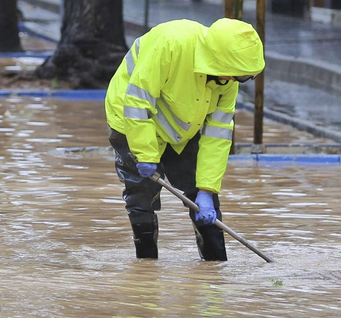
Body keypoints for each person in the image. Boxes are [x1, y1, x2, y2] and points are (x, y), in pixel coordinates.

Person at [104, 18, 265, 260]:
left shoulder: (227, 78)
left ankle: (215, 269)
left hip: (182, 126)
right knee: (142, 193)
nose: (237, 82)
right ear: (219, 60)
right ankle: (146, 268)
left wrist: (207, 189)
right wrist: (146, 156)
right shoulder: (171, 44)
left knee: (201, 196)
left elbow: (217, 136)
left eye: (245, 78)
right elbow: (137, 103)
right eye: (239, 76)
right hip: (130, 118)